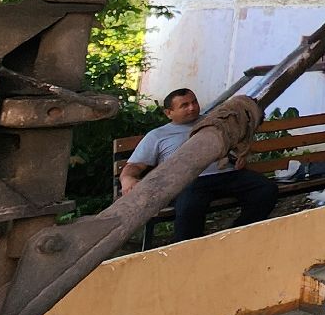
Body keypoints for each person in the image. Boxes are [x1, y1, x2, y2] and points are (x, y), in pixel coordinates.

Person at [119, 87, 278, 243]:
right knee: (189, 206)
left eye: (194, 102)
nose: (192, 108)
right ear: (169, 113)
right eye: (184, 105)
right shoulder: (157, 136)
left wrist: (240, 157)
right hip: (189, 182)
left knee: (265, 189)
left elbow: (237, 148)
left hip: (226, 175)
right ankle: (187, 249)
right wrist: (127, 178)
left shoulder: (215, 123)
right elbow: (135, 165)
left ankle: (234, 236)